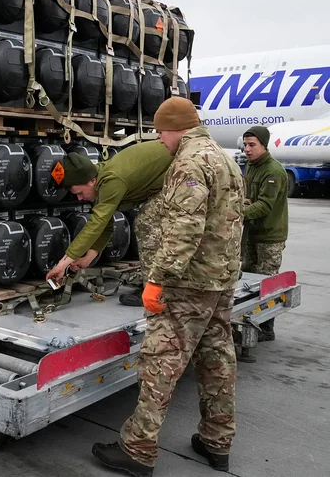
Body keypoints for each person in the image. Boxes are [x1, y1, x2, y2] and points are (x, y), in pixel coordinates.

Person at [92, 97, 244, 476]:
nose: (160, 141)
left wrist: (157, 279)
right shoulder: (225, 158)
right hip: (220, 280)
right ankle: (217, 442)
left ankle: (138, 450)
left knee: (161, 363)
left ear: (175, 128)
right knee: (217, 361)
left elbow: (183, 230)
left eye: (161, 133)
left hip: (188, 284)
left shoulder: (189, 162)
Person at [45, 141, 173, 307]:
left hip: (181, 170)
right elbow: (105, 225)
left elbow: (96, 224)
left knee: (146, 224)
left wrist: (63, 263)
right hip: (166, 179)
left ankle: (156, 291)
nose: (80, 198)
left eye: (80, 193)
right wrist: (87, 259)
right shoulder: (100, 181)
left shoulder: (111, 181)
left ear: (91, 181)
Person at [241, 125, 288, 342]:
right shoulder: (251, 166)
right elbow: (252, 198)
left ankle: (266, 328)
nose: (247, 150)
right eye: (245, 145)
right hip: (252, 233)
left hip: (269, 237)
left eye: (252, 145)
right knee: (247, 281)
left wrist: (238, 212)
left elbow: (265, 205)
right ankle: (248, 321)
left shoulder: (273, 170)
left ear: (264, 145)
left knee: (266, 284)